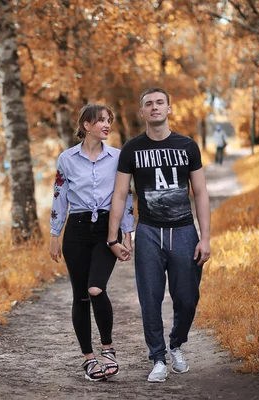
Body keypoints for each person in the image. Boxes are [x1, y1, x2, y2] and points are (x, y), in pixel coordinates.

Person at [106, 88, 211, 383]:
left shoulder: (187, 146)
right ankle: (158, 358)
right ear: (142, 113)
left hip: (184, 232)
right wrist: (113, 237)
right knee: (149, 299)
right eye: (148, 104)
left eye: (159, 103)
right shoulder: (131, 149)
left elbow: (201, 193)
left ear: (168, 108)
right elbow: (119, 195)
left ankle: (176, 344)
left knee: (187, 298)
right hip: (149, 232)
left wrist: (205, 237)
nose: (154, 108)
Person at [49, 103, 135, 382]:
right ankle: (89, 358)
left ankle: (108, 350)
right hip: (76, 230)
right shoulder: (67, 159)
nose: (106, 125)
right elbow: (59, 197)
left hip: (106, 232)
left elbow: (126, 196)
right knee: (81, 295)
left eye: (109, 120)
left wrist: (127, 232)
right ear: (86, 125)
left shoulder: (118, 157)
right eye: (100, 120)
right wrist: (54, 235)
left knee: (96, 288)